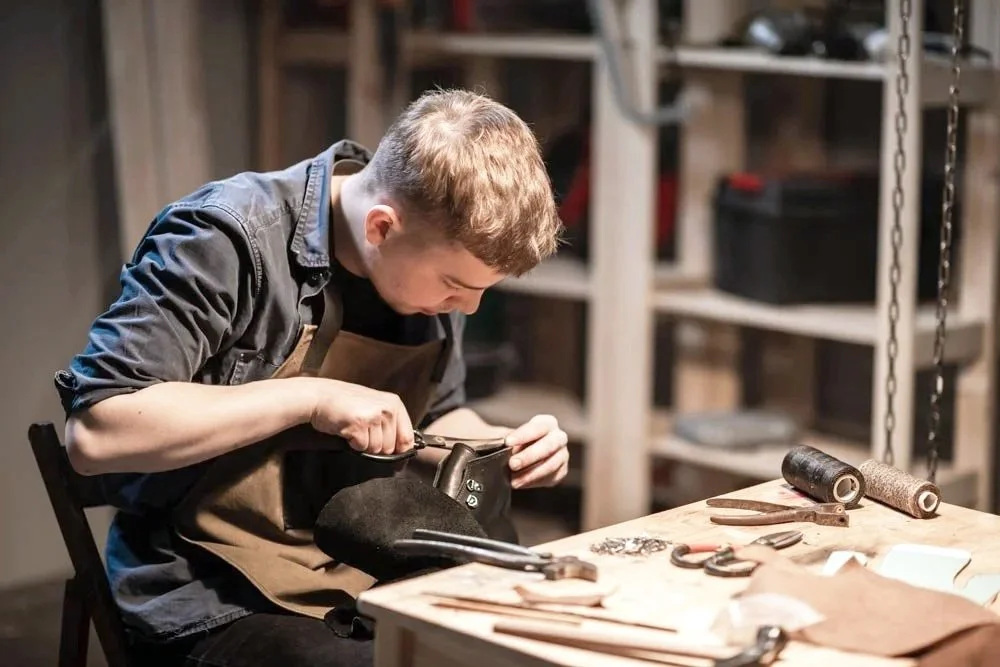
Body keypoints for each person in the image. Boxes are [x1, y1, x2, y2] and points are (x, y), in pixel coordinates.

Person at [54, 88, 569, 667]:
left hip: (357, 567)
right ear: (381, 228)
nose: (468, 309)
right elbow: (97, 433)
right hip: (209, 585)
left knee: (521, 641)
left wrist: (500, 445)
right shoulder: (225, 238)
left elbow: (435, 417)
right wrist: (308, 398)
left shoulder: (425, 262)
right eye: (455, 285)